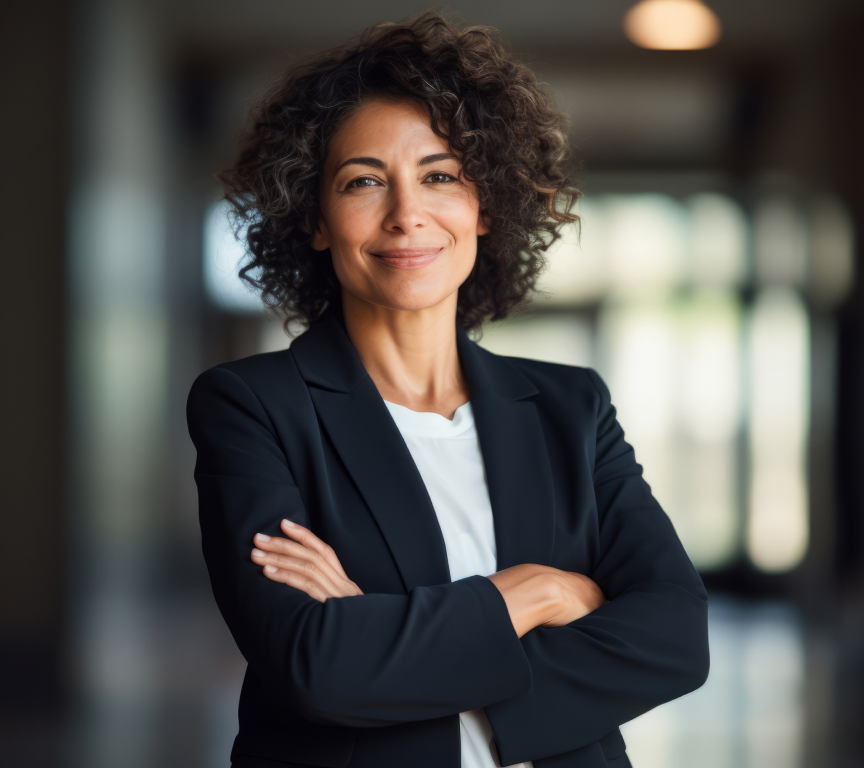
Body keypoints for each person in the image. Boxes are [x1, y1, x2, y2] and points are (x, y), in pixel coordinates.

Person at [186, 11, 710, 768]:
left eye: (440, 176)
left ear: (485, 206)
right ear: (317, 219)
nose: (407, 216)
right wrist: (541, 595)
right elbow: (317, 667)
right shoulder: (253, 406)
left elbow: (675, 638)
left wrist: (384, 633)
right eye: (364, 181)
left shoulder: (573, 408)